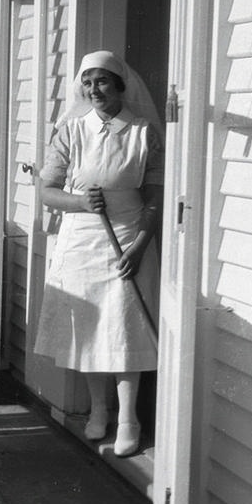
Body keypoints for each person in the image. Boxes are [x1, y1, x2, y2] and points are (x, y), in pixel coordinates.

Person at [33, 50, 164, 457]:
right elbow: (47, 190)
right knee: (90, 328)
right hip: (83, 238)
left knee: (125, 327)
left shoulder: (143, 132)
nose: (94, 90)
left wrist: (140, 245)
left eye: (103, 81)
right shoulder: (71, 130)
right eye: (87, 82)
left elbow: (155, 195)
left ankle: (129, 419)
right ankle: (99, 410)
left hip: (127, 234)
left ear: (120, 85)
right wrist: (81, 204)